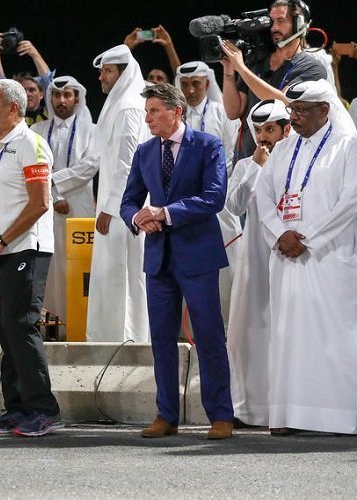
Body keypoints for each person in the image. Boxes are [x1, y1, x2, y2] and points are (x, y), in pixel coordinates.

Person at [120, 83, 234, 440]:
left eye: (154, 111)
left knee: (209, 336)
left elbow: (213, 198)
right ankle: (166, 415)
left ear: (176, 112)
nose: (148, 117)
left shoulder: (208, 146)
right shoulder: (144, 152)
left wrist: (165, 213)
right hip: (158, 260)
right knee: (161, 339)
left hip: (198, 255)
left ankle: (221, 415)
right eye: (147, 111)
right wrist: (139, 218)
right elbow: (128, 201)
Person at [255, 80, 357, 435]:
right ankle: (288, 414)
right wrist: (279, 233)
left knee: (333, 337)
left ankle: (340, 417)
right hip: (286, 256)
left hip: (329, 257)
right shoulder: (285, 149)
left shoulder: (347, 146)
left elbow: (351, 201)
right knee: (288, 337)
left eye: (302, 111)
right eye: (292, 110)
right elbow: (262, 194)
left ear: (324, 110)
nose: (294, 117)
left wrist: (308, 239)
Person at [0, 78, 62, 437]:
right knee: (7, 331)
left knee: (22, 327)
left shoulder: (32, 144)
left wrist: (1, 241)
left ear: (13, 109)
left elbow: (40, 203)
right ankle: (16, 408)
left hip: (27, 248)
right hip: (2, 249)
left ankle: (44, 409)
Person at [225, 99, 291, 427]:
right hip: (251, 262)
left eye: (271, 130)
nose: (264, 136)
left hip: (287, 260)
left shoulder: (296, 163)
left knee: (282, 333)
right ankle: (247, 409)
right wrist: (255, 167)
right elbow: (234, 205)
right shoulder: (244, 166)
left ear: (284, 130)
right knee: (244, 335)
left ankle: (281, 409)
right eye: (260, 130)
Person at [87, 44, 150, 342]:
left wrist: (111, 208)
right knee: (114, 275)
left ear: (124, 74)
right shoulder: (122, 102)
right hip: (120, 205)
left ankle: (127, 341)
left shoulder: (127, 107)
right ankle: (112, 339)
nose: (102, 77)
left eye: (108, 71)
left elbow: (127, 165)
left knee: (124, 275)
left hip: (125, 210)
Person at [174, 60, 243, 329]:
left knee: (228, 263)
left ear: (207, 83)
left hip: (218, 199)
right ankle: (188, 330)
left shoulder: (221, 112)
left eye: (196, 84)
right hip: (183, 201)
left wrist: (206, 185)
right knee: (187, 262)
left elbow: (229, 155)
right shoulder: (175, 116)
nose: (191, 91)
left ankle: (230, 325)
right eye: (185, 85)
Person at [220, 0, 326, 159]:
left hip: (283, 159)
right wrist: (229, 71)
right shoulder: (257, 62)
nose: (274, 27)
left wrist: (241, 68)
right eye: (272, 21)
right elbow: (233, 111)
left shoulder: (311, 68)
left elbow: (284, 102)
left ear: (298, 24)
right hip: (247, 158)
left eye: (281, 21)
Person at [30, 76, 96, 321]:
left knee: (78, 268)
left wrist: (54, 183)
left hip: (80, 209)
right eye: (57, 95)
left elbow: (90, 166)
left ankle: (79, 323)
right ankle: (49, 325)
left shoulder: (92, 130)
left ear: (77, 99)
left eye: (67, 95)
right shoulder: (36, 131)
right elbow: (33, 167)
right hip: (43, 208)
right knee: (47, 269)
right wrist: (55, 195)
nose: (61, 100)